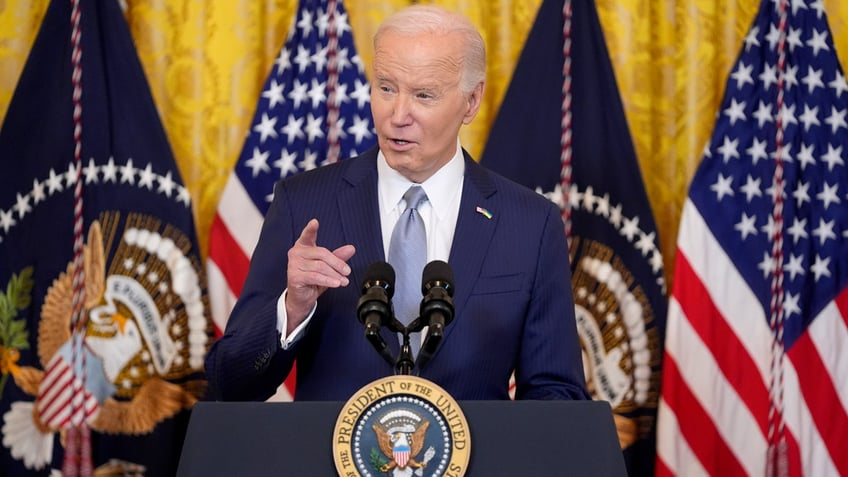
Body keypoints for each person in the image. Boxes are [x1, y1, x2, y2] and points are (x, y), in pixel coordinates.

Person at [205, 4, 589, 402]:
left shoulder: (530, 224)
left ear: (472, 101)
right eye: (386, 88)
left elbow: (556, 393)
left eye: (423, 95)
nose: (397, 115)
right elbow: (229, 384)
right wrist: (293, 308)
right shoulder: (302, 204)